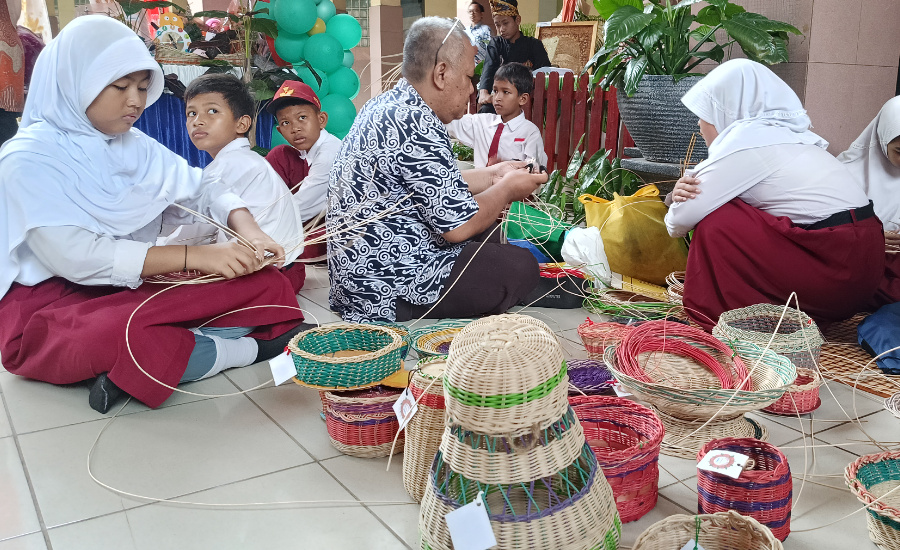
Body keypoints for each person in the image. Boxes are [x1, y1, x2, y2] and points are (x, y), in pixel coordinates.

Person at [0, 16, 309, 414]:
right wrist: (194, 257)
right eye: (121, 86)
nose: (136, 101)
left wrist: (250, 232)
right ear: (75, 80)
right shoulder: (25, 160)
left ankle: (156, 360)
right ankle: (247, 348)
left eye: (144, 88)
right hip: (49, 306)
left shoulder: (131, 144)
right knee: (119, 334)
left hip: (121, 287)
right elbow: (74, 257)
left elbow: (204, 188)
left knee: (263, 279)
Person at [327, 17, 548, 323]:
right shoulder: (416, 124)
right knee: (520, 265)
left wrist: (494, 175)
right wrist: (508, 188)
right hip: (387, 287)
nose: (473, 89)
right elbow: (459, 227)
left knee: (494, 234)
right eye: (470, 77)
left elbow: (433, 186)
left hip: (360, 277)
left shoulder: (390, 104)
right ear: (442, 73)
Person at [664, 59, 883, 330]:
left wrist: (676, 199)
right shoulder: (782, 136)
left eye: (705, 114)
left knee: (716, 221)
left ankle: (726, 318)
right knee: (727, 207)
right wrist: (680, 194)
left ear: (727, 112)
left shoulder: (746, 145)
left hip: (835, 271)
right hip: (861, 269)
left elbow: (677, 223)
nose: (699, 124)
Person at [184, 73, 307, 290]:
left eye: (212, 111)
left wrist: (158, 251)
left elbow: (194, 229)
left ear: (242, 124)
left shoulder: (232, 164)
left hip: (268, 276)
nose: (198, 120)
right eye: (191, 113)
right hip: (287, 270)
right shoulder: (242, 159)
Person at [838, 96, 900, 308]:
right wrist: (872, 241)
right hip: (862, 264)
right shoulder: (846, 172)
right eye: (899, 151)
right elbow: (828, 233)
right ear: (883, 138)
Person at [265, 80, 341, 223]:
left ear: (321, 120)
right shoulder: (301, 155)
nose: (295, 128)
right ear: (280, 131)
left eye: (302, 118)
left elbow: (302, 207)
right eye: (286, 123)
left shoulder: (330, 153)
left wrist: (250, 229)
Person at [447, 62, 547, 168]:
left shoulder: (530, 133)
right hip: (481, 184)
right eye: (495, 91)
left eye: (506, 92)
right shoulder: (481, 123)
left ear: (523, 99)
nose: (497, 97)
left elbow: (535, 170)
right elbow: (448, 120)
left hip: (512, 184)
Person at [476, 0, 550, 114]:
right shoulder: (496, 44)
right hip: (499, 100)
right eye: (498, 24)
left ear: (518, 20)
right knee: (485, 113)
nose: (501, 29)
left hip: (526, 102)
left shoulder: (534, 45)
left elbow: (544, 74)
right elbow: (489, 68)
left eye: (505, 23)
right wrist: (483, 92)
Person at [466, 1, 491, 66]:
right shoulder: (465, 30)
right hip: (467, 66)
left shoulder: (486, 29)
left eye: (475, 11)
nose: (472, 14)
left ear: (481, 14)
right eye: (470, 11)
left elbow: (490, 49)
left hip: (481, 67)